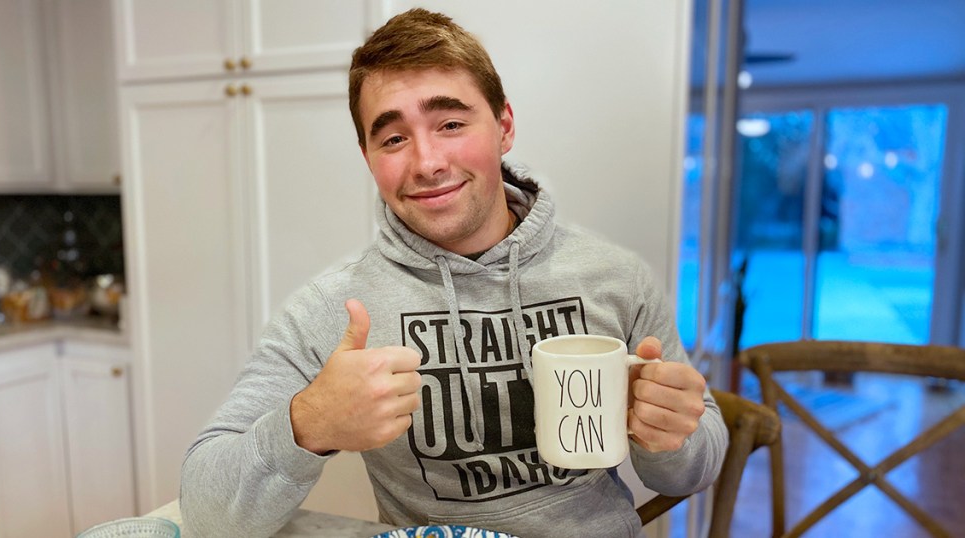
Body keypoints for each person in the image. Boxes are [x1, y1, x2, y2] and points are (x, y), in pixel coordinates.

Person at [180, 8, 727, 537]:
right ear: (368, 155)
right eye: (393, 138)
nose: (426, 162)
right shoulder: (334, 310)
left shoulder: (616, 278)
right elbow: (206, 512)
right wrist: (308, 425)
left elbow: (696, 469)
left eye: (450, 123)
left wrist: (672, 435)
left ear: (503, 126)